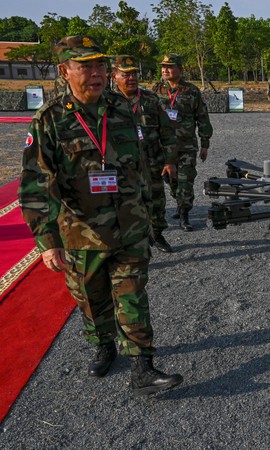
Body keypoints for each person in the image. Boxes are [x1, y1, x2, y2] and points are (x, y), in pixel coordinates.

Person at [19, 35, 182, 395]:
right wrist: (47, 242)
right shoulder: (50, 120)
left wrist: (151, 214)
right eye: (86, 66)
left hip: (129, 226)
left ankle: (143, 367)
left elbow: (140, 166)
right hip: (81, 232)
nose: (96, 73)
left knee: (133, 293)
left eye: (100, 65)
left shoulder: (122, 108)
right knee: (91, 298)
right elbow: (35, 184)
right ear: (64, 71)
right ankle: (104, 344)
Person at [111, 55, 177, 253]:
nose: (131, 78)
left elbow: (167, 131)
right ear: (114, 76)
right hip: (122, 166)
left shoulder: (150, 99)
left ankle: (157, 234)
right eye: (126, 74)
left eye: (134, 74)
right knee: (124, 203)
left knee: (156, 200)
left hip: (153, 162)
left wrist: (170, 161)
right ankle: (129, 241)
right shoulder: (107, 102)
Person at [152, 53, 213, 232]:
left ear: (180, 69)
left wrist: (205, 144)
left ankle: (184, 212)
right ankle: (180, 202)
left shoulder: (191, 91)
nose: (165, 70)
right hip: (163, 146)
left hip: (186, 145)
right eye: (163, 67)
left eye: (170, 66)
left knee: (186, 179)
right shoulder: (156, 91)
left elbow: (202, 118)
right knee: (171, 179)